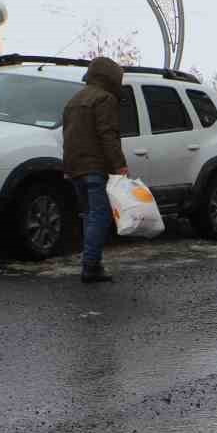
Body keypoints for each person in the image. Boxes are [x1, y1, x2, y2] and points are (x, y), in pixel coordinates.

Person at [60, 56, 129, 284]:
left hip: (74, 168)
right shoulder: (105, 99)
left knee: (89, 216)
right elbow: (108, 134)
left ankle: (93, 264)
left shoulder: (73, 100)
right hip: (95, 168)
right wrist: (119, 165)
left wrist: (67, 168)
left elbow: (68, 137)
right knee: (100, 217)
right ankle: (90, 267)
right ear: (111, 78)